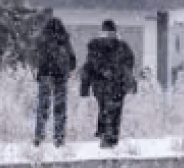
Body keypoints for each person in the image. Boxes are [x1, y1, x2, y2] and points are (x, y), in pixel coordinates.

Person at [80, 19, 137, 149]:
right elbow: (129, 64)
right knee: (114, 111)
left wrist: (85, 87)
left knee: (105, 109)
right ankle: (110, 137)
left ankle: (105, 135)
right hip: (116, 85)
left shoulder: (95, 47)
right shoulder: (122, 47)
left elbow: (88, 67)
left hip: (102, 85)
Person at [33, 16, 77, 147]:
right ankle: (59, 138)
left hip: (45, 75)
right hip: (60, 76)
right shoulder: (64, 39)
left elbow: (35, 58)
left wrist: (40, 71)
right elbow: (73, 59)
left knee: (42, 107)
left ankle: (39, 136)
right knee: (60, 108)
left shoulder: (42, 40)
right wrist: (67, 69)